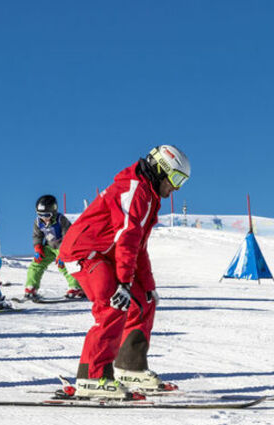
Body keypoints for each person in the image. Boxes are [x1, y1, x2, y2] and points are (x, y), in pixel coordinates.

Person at [58, 145, 190, 399]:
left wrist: (147, 285)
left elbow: (138, 247)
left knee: (143, 301)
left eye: (182, 182)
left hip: (106, 254)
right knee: (114, 302)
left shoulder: (150, 196)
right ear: (160, 170)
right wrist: (124, 284)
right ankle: (91, 376)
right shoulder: (134, 190)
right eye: (175, 178)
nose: (177, 188)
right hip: (84, 252)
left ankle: (129, 366)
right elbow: (127, 238)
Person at [24, 195, 84, 299]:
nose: (44, 218)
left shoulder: (61, 220)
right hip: (49, 247)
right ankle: (31, 287)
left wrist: (63, 253)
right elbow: (37, 235)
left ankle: (76, 287)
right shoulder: (38, 222)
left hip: (63, 247)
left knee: (66, 266)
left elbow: (68, 237)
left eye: (47, 215)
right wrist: (38, 247)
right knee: (36, 264)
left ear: (54, 211)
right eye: (40, 215)